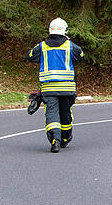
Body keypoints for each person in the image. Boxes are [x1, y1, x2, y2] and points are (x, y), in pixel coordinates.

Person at [26, 17, 85, 153]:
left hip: (49, 89)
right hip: (67, 89)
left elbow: (29, 56)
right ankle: (65, 137)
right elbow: (82, 56)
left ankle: (55, 141)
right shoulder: (70, 46)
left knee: (52, 113)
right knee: (65, 113)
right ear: (65, 30)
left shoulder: (42, 46)